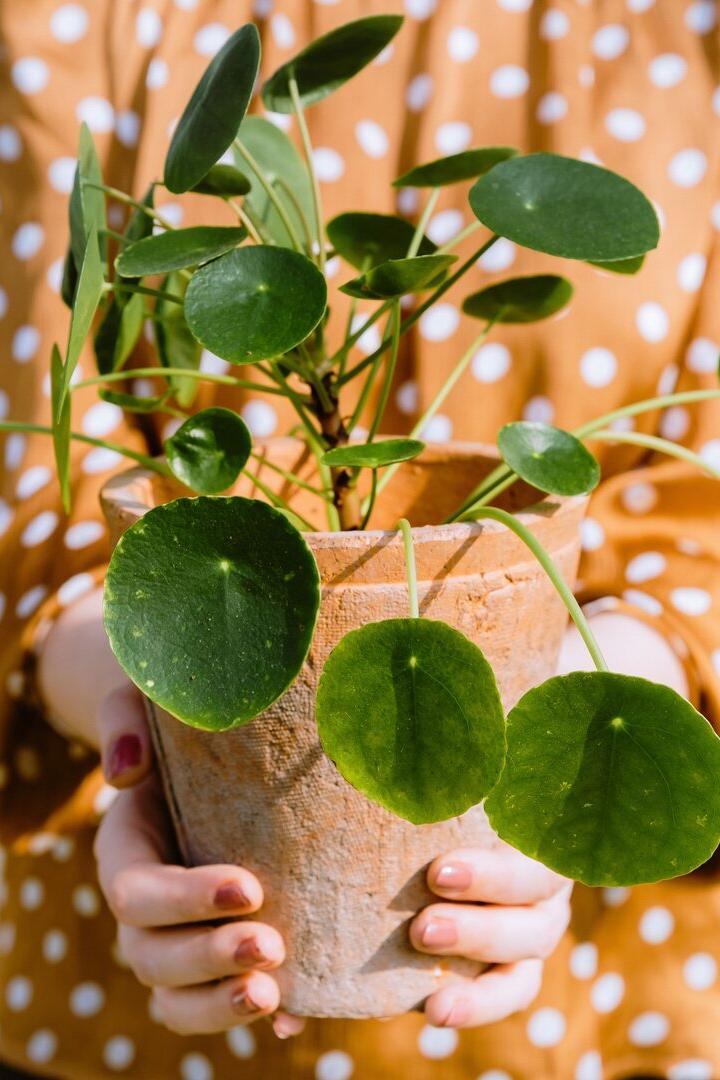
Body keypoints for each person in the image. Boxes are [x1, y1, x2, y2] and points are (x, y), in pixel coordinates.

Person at [1, 1, 718, 1077]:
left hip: (608, 1023)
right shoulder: (68, 19)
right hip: (126, 1011)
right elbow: (37, 521)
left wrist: (558, 721)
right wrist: (149, 733)